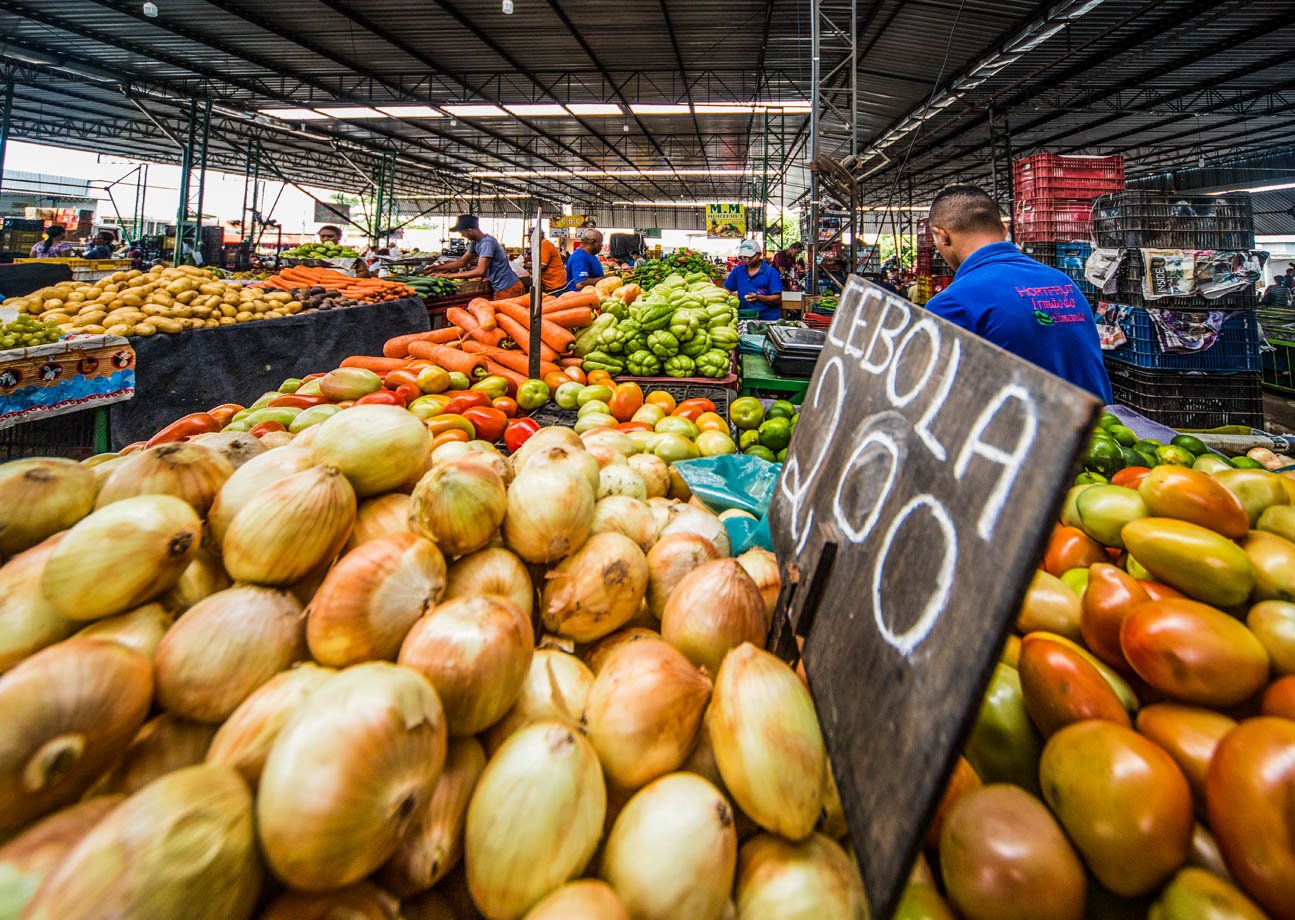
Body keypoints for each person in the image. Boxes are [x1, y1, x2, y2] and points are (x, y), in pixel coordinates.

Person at [924, 185, 1112, 402]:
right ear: (1004, 230)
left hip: (1029, 433)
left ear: (942, 235)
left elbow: (940, 400)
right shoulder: (1063, 282)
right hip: (1101, 430)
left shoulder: (951, 303)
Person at [434, 214, 524, 300]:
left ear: (470, 230)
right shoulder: (475, 242)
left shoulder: (487, 243)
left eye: (462, 233)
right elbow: (462, 262)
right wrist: (436, 268)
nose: (462, 236)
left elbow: (480, 271)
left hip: (508, 288)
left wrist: (449, 276)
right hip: (501, 287)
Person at [724, 240, 783, 321]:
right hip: (744, 317)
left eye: (751, 257)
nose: (747, 260)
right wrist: (731, 295)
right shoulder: (738, 271)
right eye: (744, 257)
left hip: (767, 319)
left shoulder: (771, 273)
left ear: (759, 254)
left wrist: (759, 297)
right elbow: (726, 288)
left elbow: (777, 299)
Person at [525, 229, 569, 296]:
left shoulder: (544, 244)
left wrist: (524, 265)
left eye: (529, 237)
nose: (529, 240)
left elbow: (542, 266)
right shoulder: (542, 244)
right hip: (553, 283)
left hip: (556, 284)